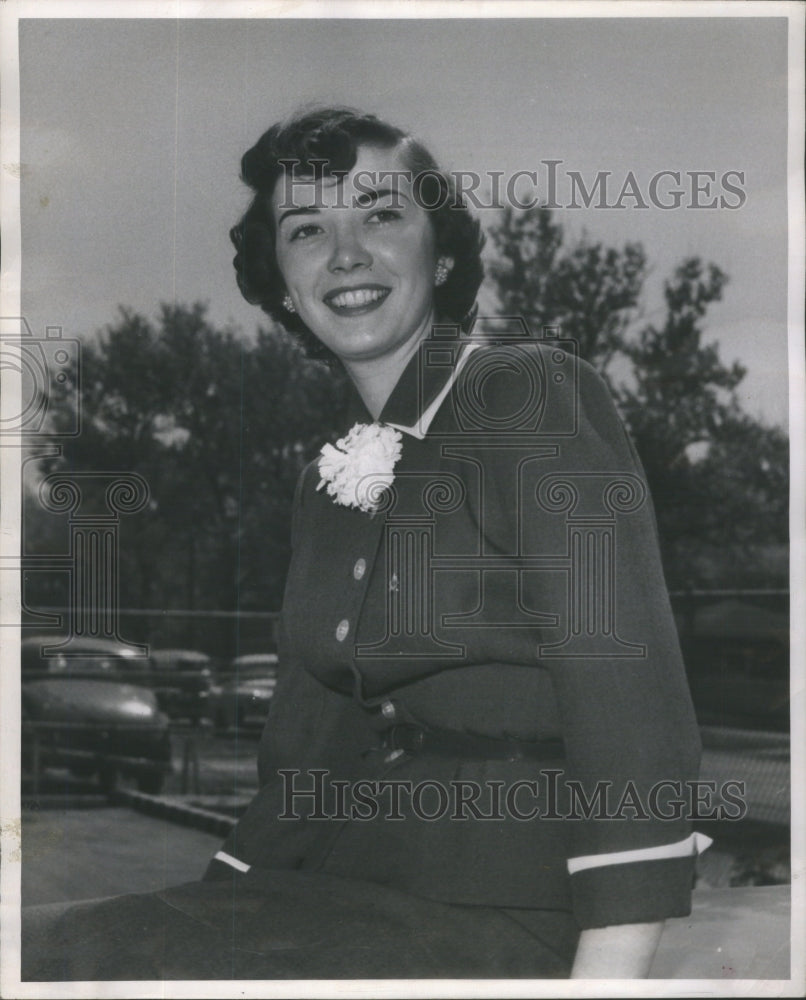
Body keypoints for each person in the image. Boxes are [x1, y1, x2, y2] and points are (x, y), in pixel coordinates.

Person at [22, 106, 707, 981]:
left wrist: (606, 971)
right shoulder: (328, 483)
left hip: (508, 910)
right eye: (306, 230)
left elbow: (631, 702)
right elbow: (306, 752)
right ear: (281, 283)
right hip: (339, 888)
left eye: (381, 214)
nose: (344, 252)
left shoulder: (526, 394)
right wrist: (209, 902)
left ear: (444, 252)